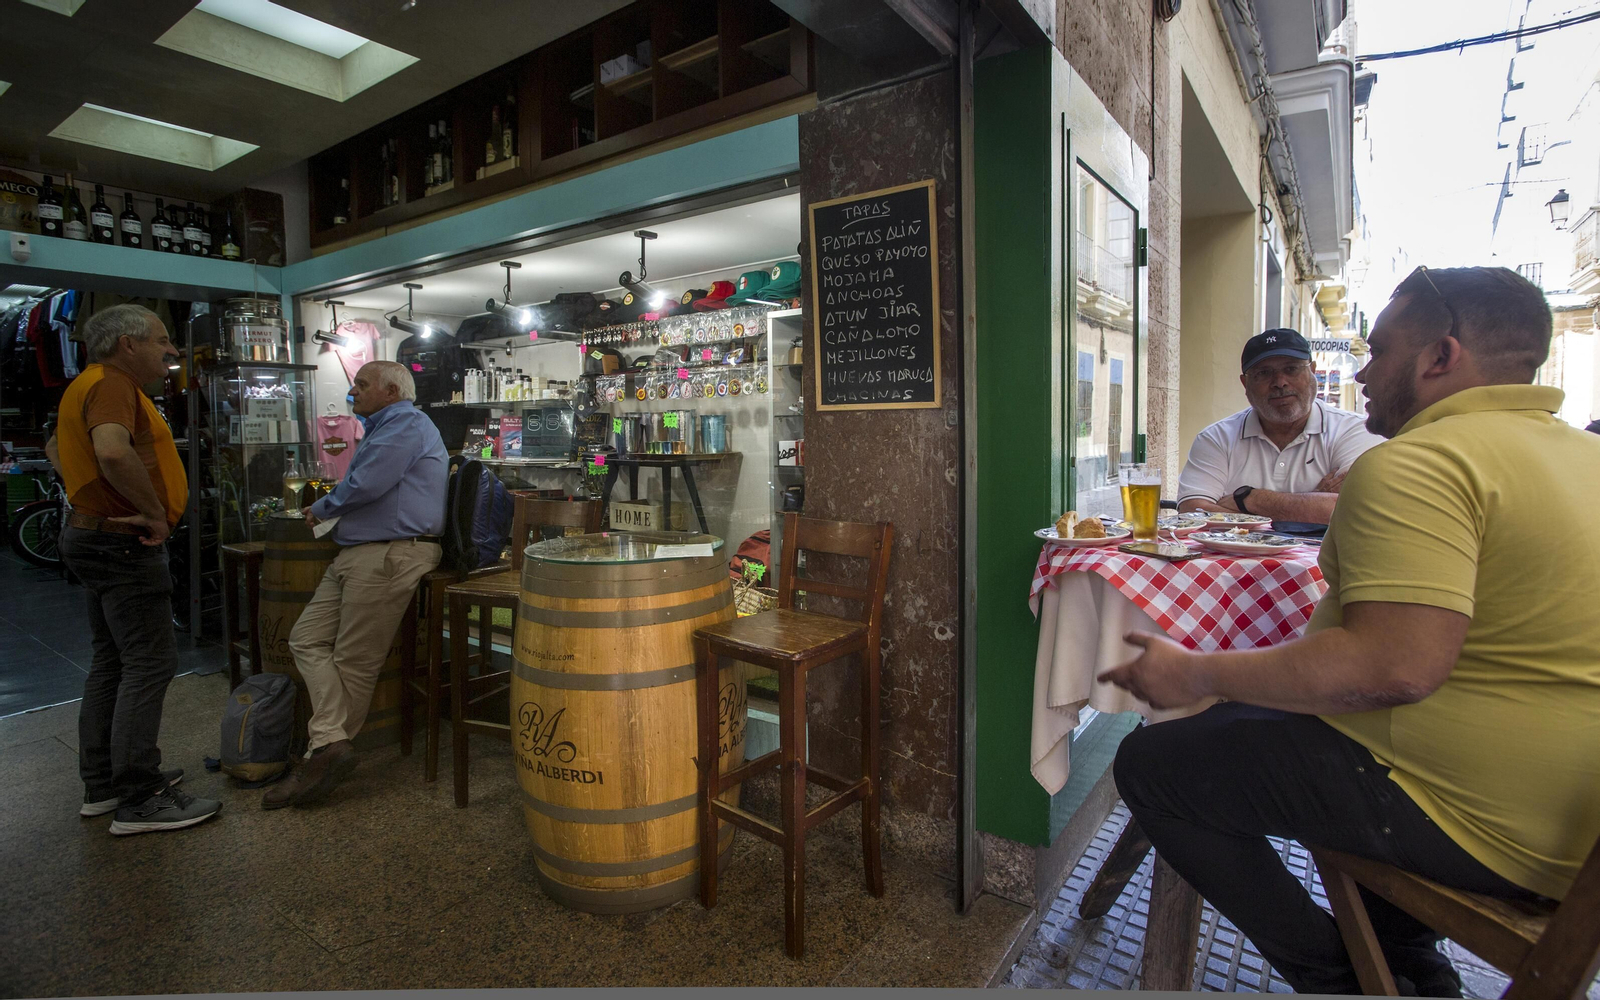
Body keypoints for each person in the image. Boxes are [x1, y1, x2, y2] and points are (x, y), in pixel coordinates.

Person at [1101, 266, 1600, 995]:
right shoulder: (1586, 456)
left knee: (1155, 764)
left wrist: (1195, 671)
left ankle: (1340, 980)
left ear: (1441, 356)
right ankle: (1412, 970)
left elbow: (1390, 668)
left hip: (1481, 819)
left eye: (1381, 350)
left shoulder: (1422, 462)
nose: (1360, 373)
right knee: (1259, 729)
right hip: (1572, 816)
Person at [45, 304, 222, 835]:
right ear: (127, 343)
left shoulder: (87, 384)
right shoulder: (113, 384)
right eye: (162, 340)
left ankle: (104, 784)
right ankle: (140, 797)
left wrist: (91, 496)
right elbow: (113, 452)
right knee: (149, 663)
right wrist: (152, 512)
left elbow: (55, 446)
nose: (172, 351)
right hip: (123, 544)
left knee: (114, 661)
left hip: (96, 535)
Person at [264, 361, 447, 809]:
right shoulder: (385, 426)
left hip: (390, 552)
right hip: (361, 551)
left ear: (391, 391)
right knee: (305, 638)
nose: (353, 392)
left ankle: (319, 757)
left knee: (355, 662)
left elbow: (367, 483)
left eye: (362, 384)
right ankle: (330, 743)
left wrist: (323, 507)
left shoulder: (405, 423)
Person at [1176, 328, 1382, 527]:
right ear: (1245, 384)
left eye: (1291, 369)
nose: (1280, 382)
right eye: (1264, 373)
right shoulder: (1217, 438)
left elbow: (1357, 510)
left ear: (1312, 371)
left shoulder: (1354, 430)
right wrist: (1311, 505)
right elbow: (1193, 510)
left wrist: (1251, 499)